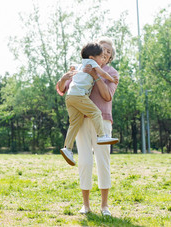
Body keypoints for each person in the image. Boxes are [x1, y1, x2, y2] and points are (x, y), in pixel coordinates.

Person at [56, 37, 119, 216]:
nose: (105, 53)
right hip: (82, 120)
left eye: (108, 51)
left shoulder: (112, 72)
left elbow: (107, 96)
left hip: (102, 121)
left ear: (110, 56)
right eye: (102, 49)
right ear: (96, 53)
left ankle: (104, 206)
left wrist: (96, 75)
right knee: (84, 161)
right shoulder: (82, 66)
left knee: (103, 161)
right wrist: (62, 79)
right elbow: (64, 89)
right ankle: (86, 205)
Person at [60, 42, 119, 166]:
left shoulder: (80, 64)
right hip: (79, 96)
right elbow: (102, 73)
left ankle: (67, 148)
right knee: (96, 112)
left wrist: (72, 68)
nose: (103, 56)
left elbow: (72, 67)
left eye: (107, 53)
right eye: (101, 54)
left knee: (75, 123)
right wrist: (111, 79)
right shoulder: (92, 63)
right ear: (92, 57)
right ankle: (102, 135)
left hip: (70, 97)